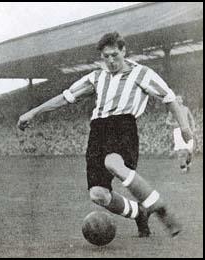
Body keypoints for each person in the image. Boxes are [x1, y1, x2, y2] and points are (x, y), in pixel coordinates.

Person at [17, 32, 193, 238]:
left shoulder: (142, 73)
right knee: (98, 195)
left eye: (114, 55)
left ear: (123, 51)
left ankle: (159, 207)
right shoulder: (97, 77)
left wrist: (185, 128)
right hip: (97, 132)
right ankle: (139, 213)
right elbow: (65, 97)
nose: (110, 60)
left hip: (123, 126)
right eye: (105, 56)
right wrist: (33, 112)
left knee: (113, 163)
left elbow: (169, 98)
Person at [165, 96, 196, 173]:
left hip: (187, 130)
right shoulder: (172, 110)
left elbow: (191, 119)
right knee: (180, 150)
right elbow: (167, 121)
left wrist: (193, 128)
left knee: (190, 150)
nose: (179, 100)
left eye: (180, 99)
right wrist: (174, 124)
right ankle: (183, 167)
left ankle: (188, 162)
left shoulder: (186, 109)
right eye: (177, 99)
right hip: (178, 131)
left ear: (182, 100)